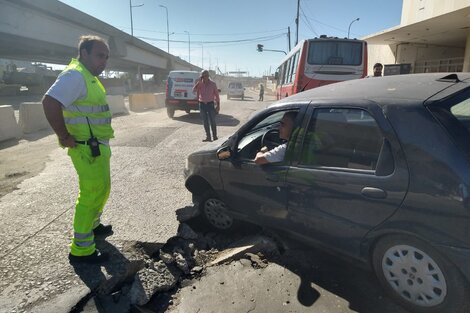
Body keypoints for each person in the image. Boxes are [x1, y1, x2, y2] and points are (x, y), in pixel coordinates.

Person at [42, 35, 114, 264]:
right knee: (91, 194)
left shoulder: (89, 77)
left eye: (106, 57)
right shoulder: (75, 75)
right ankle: (82, 251)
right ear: (84, 53)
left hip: (97, 147)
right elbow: (50, 102)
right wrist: (63, 136)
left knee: (102, 189)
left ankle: (93, 226)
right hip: (86, 149)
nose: (104, 61)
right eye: (99, 55)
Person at [193, 70, 220, 142]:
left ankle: (215, 137)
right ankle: (208, 137)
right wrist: (198, 83)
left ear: (208, 76)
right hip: (202, 104)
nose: (205, 77)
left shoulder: (213, 84)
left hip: (210, 104)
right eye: (203, 76)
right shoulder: (200, 84)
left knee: (212, 121)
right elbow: (194, 90)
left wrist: (218, 106)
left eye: (206, 76)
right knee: (205, 121)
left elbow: (217, 95)